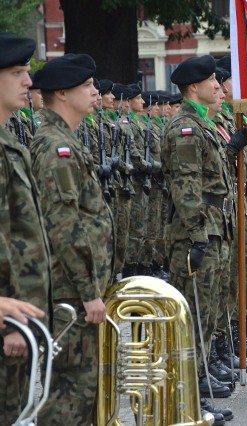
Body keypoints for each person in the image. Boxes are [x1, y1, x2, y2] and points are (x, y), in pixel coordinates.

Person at [29, 53, 115, 425]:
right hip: (69, 290)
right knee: (70, 394)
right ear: (62, 93)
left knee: (83, 391)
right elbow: (63, 223)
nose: (95, 93)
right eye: (87, 86)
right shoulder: (55, 147)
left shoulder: (65, 140)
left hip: (76, 286)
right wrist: (88, 290)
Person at [162, 55, 247, 413]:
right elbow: (186, 188)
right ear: (193, 87)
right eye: (212, 80)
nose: (218, 86)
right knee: (194, 319)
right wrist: (197, 237)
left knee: (208, 314)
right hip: (198, 235)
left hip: (214, 229)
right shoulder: (186, 127)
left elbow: (211, 175)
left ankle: (197, 389)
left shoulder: (204, 125)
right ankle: (186, 401)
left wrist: (230, 151)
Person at [0, 33, 51, 425]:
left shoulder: (8, 141)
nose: (28, 82)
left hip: (21, 314)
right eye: (17, 72)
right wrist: (10, 323)